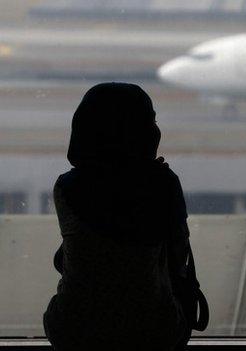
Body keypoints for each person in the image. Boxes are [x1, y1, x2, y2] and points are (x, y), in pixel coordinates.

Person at [43, 83, 192, 351]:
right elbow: (177, 257)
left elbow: (68, 258)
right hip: (154, 332)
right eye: (152, 120)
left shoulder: (66, 187)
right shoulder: (163, 184)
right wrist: (157, 184)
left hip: (74, 329)